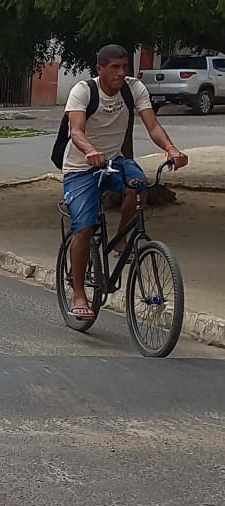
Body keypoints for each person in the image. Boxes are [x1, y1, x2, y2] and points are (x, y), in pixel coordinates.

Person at [61, 44, 187, 318]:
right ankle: (79, 293)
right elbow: (76, 130)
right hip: (80, 168)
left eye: (124, 67)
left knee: (140, 186)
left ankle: (120, 240)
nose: (120, 73)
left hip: (115, 160)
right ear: (100, 69)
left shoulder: (134, 89)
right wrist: (90, 151)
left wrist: (171, 149)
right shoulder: (84, 91)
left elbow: (152, 126)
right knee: (84, 228)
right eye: (114, 68)